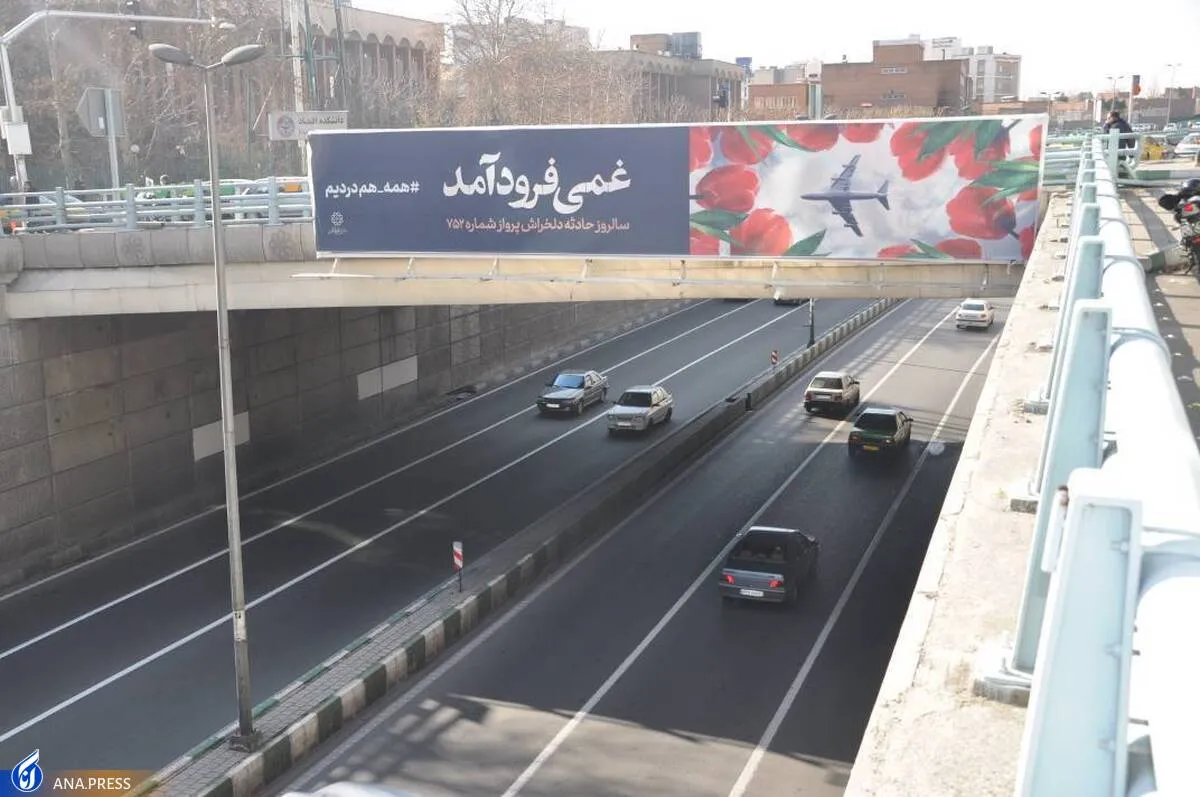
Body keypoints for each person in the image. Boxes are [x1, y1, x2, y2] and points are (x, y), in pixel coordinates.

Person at [1103, 110, 1136, 176]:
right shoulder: (1124, 124)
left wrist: (1106, 125)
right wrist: (1131, 155)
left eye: (1108, 118)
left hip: (1115, 155)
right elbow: (1131, 140)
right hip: (1121, 155)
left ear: (1114, 118)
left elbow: (1106, 135)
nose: (1107, 120)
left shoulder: (1115, 126)